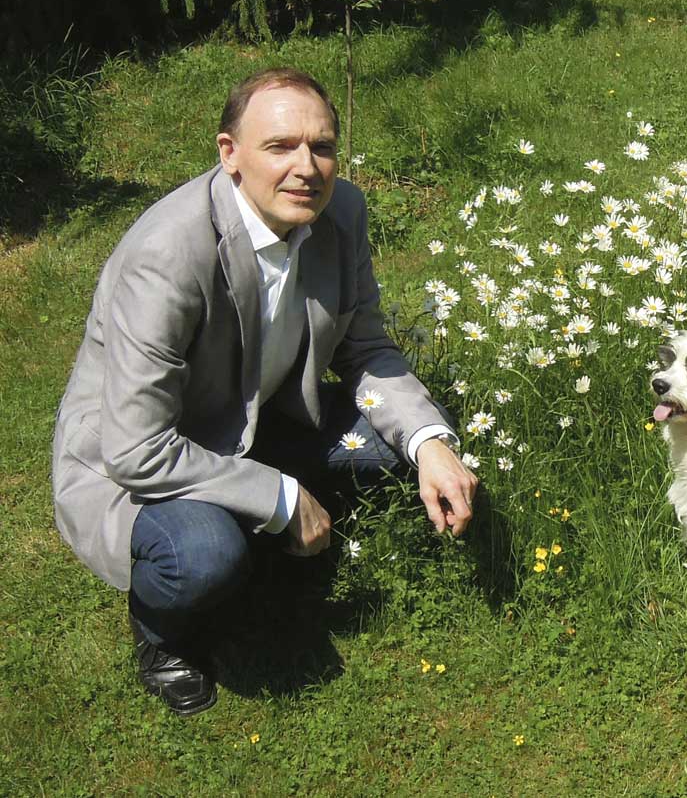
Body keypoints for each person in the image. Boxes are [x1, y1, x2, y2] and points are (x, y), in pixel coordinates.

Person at [52, 68, 478, 714]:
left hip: (260, 415)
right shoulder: (167, 255)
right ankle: (163, 629)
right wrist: (279, 497)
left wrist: (431, 443)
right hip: (142, 450)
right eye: (280, 146)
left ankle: (277, 523)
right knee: (202, 556)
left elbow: (366, 348)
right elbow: (138, 446)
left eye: (323, 145)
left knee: (402, 447)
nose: (306, 167)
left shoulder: (343, 212)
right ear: (230, 154)